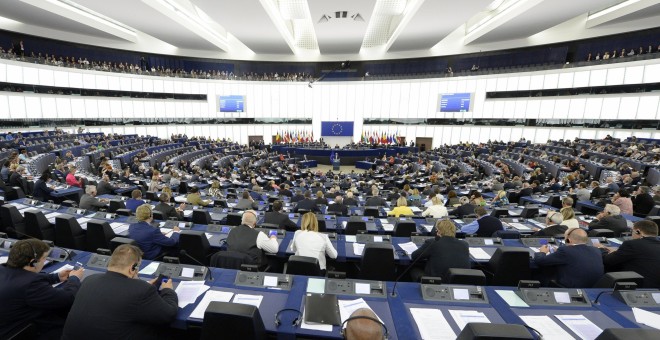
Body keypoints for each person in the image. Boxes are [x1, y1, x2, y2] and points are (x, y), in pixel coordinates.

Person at [61, 245, 178, 340]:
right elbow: (169, 315)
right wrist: (167, 290)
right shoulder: (142, 290)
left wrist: (139, 284)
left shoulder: (89, 280)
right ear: (133, 267)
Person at [0, 239, 83, 339]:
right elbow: (67, 298)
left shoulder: (3, 269)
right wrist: (75, 278)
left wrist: (57, 277)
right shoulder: (31, 284)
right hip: (23, 331)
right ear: (32, 263)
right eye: (44, 258)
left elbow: (23, 277)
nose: (45, 261)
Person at [533, 228, 604, 288]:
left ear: (569, 240)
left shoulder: (565, 251)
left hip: (569, 288)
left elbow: (539, 261)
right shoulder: (596, 250)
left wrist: (542, 252)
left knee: (540, 274)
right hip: (593, 287)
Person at [600, 220, 660, 288]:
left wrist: (601, 249)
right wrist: (617, 252)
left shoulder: (632, 244)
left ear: (638, 231)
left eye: (632, 231)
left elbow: (608, 261)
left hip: (638, 286)